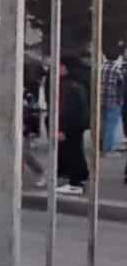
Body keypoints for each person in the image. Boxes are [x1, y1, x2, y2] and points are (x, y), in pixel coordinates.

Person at [56, 55, 91, 196]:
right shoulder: (79, 82)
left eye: (60, 66)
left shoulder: (68, 85)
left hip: (70, 125)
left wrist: (62, 128)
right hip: (78, 124)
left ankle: (75, 184)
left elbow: (66, 109)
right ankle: (81, 175)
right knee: (76, 150)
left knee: (73, 152)